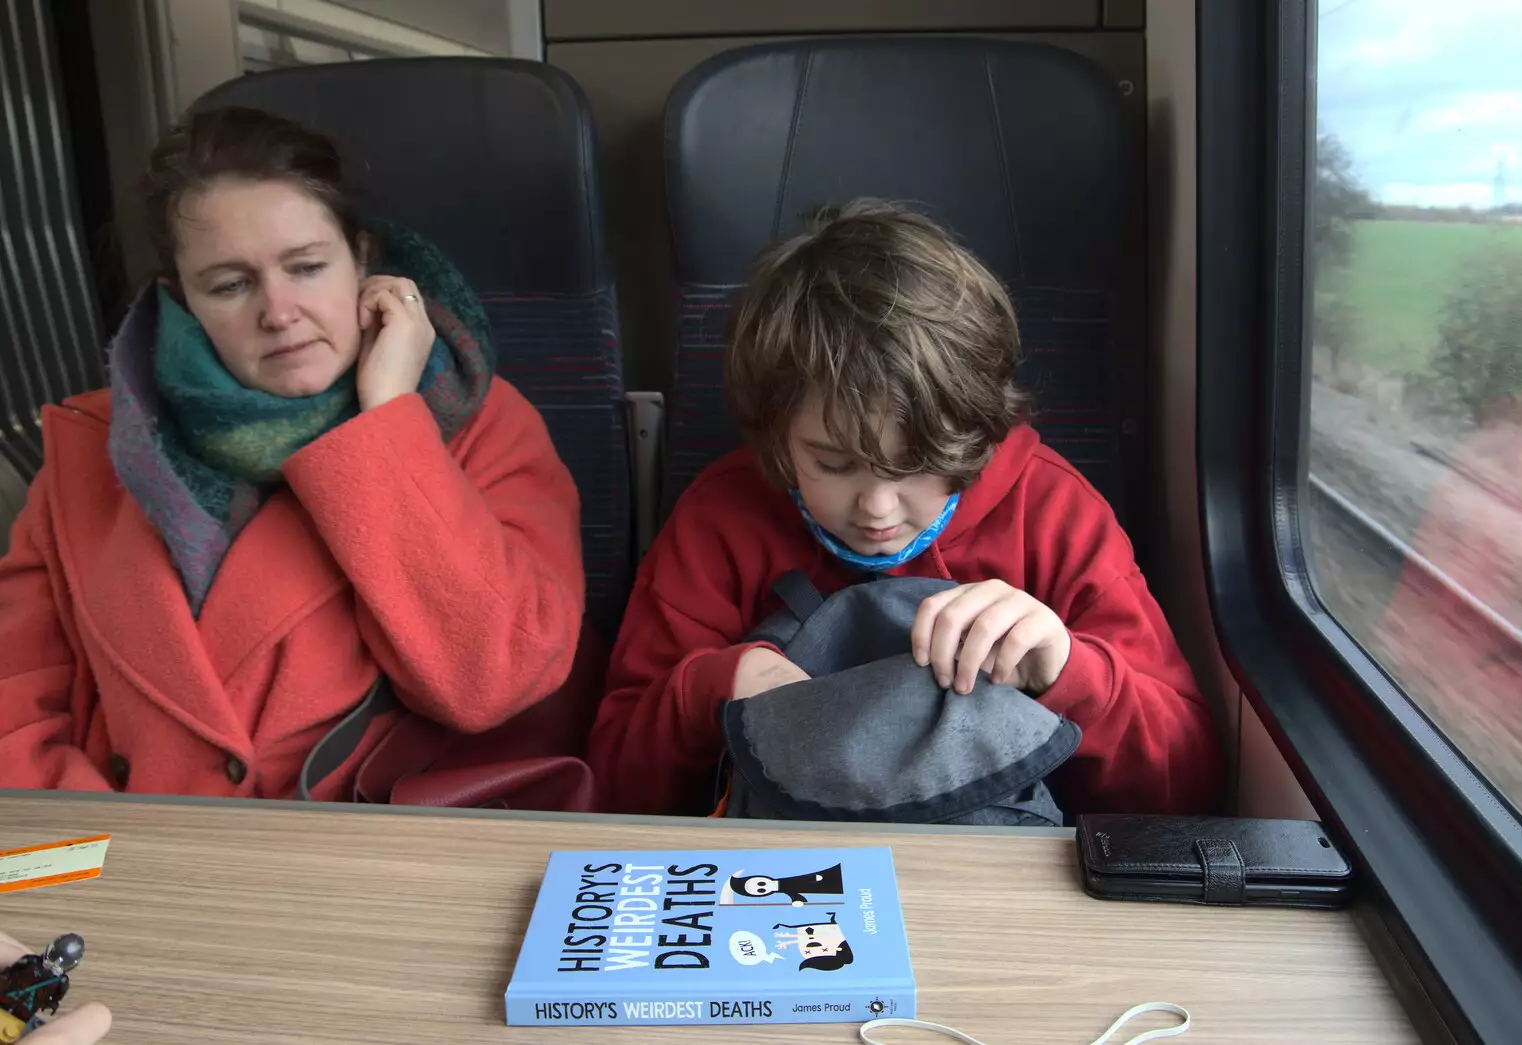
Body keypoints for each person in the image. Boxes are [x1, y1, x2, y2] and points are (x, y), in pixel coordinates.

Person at [0, 106, 585, 798]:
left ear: (362, 259)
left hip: (357, 869)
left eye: (306, 267)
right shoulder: (90, 451)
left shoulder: (480, 424)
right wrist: (96, 872)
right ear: (180, 301)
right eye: (231, 284)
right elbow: (13, 708)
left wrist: (389, 420)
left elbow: (493, 680)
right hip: (115, 863)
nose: (278, 312)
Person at [590, 200, 1220, 815]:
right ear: (775, 430)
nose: (877, 509)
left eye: (919, 463)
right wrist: (713, 689)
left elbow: (1186, 785)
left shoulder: (1053, 515)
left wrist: (1069, 672)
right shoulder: (720, 521)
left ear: (974, 433)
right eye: (833, 464)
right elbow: (616, 784)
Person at [0, 933, 108, 1045]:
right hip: (11, 997)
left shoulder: (57, 978)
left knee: (20, 1018)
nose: (55, 963)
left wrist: (52, 1004)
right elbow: (13, 969)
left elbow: (57, 996)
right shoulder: (32, 962)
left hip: (23, 1006)